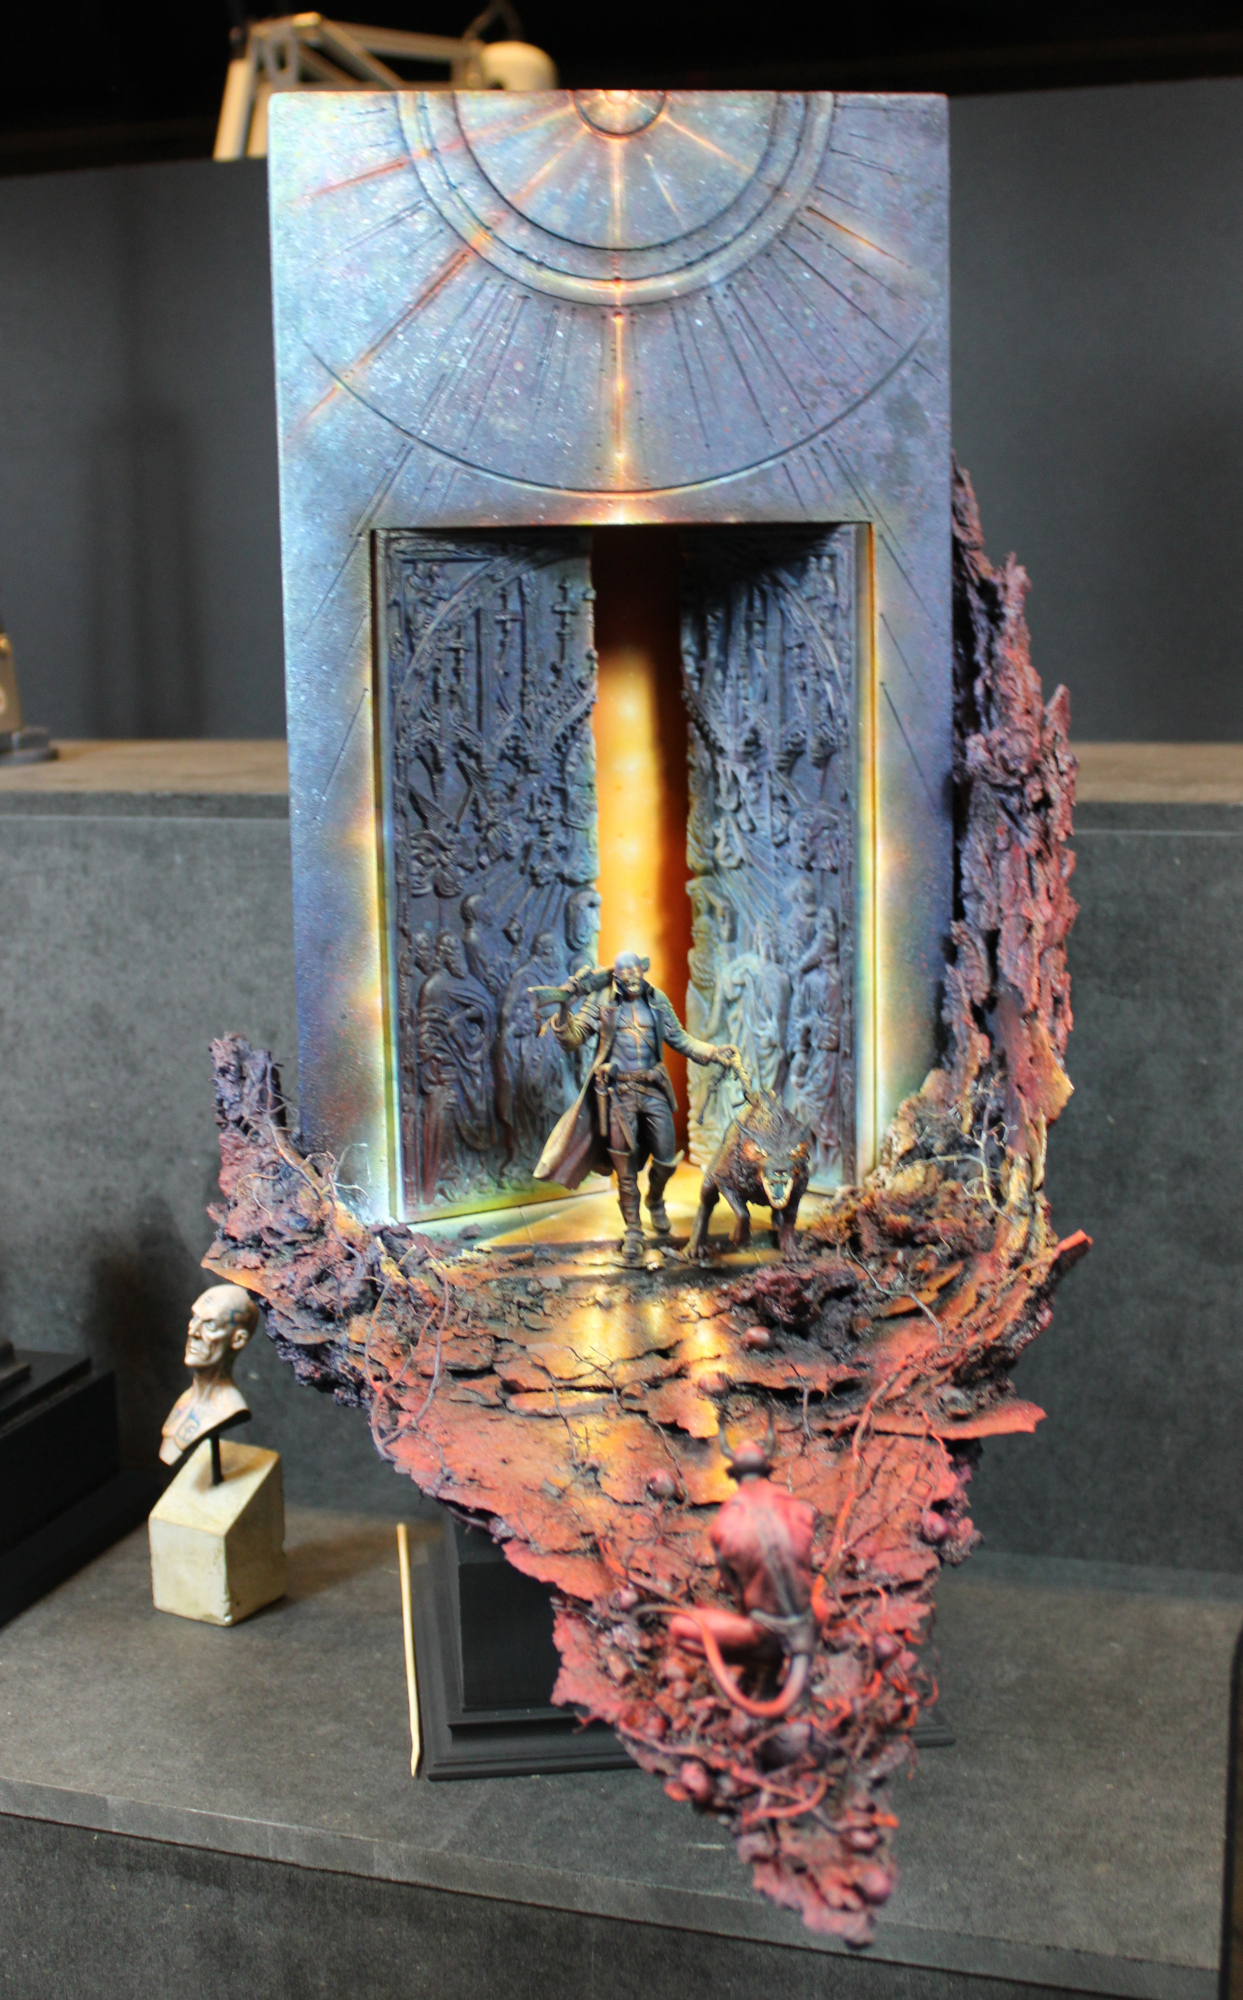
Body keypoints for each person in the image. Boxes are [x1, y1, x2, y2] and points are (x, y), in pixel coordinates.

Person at [535, 950, 737, 1264]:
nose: (631, 978)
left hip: (654, 1087)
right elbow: (571, 1039)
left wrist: (712, 1052)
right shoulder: (601, 1001)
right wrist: (564, 1005)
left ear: (642, 972)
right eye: (624, 973)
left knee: (666, 1159)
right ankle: (633, 1230)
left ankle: (655, 1200)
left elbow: (680, 1039)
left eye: (635, 972)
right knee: (624, 1166)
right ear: (615, 976)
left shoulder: (657, 1001)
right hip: (618, 1094)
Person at [159, 1285, 259, 1467]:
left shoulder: (229, 1408)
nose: (193, 1332)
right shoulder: (186, 1399)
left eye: (210, 1325)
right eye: (194, 1318)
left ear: (238, 1339)